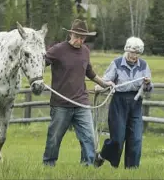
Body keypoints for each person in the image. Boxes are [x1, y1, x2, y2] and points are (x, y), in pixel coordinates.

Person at [42, 19, 115, 167]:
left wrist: (104, 84)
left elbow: (89, 72)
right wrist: (35, 78)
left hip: (81, 102)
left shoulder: (85, 51)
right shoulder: (57, 50)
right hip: (61, 104)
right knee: (54, 137)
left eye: (83, 38)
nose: (79, 40)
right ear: (71, 34)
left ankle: (87, 166)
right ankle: (49, 164)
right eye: (77, 36)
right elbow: (40, 63)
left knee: (89, 137)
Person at [93, 36, 154, 169]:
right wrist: (100, 86)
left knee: (136, 138)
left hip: (136, 103)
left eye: (137, 53)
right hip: (119, 102)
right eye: (132, 52)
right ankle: (102, 156)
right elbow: (105, 81)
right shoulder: (116, 63)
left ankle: (131, 169)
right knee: (118, 139)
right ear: (127, 50)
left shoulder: (144, 65)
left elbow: (149, 89)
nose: (134, 56)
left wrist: (148, 84)